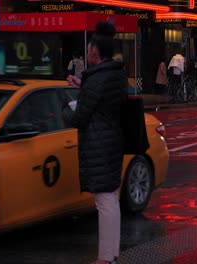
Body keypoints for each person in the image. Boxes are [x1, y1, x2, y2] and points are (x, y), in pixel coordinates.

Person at [63, 22, 127, 264]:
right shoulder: (114, 73)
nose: (88, 52)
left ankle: (106, 257)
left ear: (93, 52)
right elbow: (102, 101)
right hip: (111, 139)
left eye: (89, 48)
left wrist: (64, 109)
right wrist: (84, 87)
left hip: (99, 142)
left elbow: (80, 117)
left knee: (105, 198)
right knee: (108, 196)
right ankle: (110, 254)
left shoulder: (97, 78)